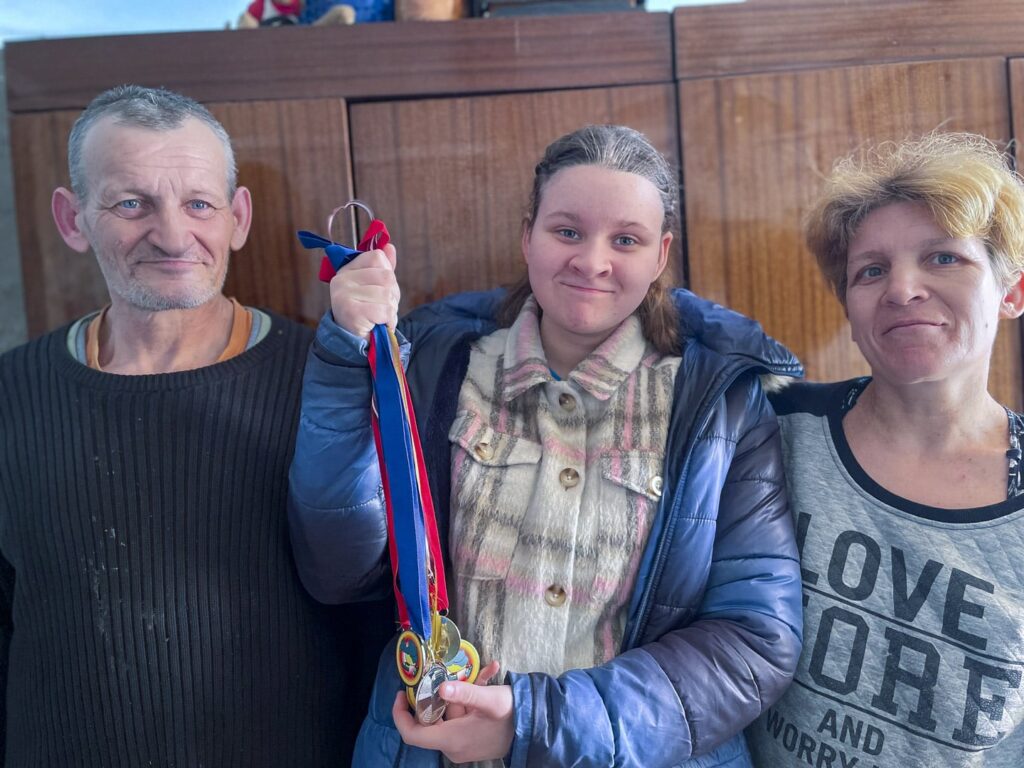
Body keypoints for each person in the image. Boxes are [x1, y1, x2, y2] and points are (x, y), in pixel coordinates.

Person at [288, 124, 804, 767]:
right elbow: (338, 569)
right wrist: (346, 358)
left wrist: (534, 723)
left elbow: (754, 641)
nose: (592, 261)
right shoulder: (435, 370)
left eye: (626, 239)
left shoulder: (721, 405)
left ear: (661, 253)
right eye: (567, 231)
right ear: (526, 234)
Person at [0, 85, 390, 767]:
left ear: (237, 218)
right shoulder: (11, 391)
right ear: (72, 218)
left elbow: (373, 623)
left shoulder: (327, 385)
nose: (174, 236)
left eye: (199, 204)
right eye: (131, 203)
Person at [746, 132, 1024, 766]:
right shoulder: (772, 430)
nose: (902, 289)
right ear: (848, 305)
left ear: (1011, 293)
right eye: (871, 270)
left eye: (944, 258)